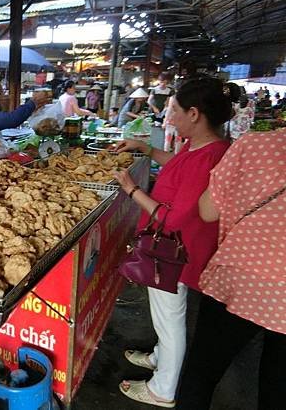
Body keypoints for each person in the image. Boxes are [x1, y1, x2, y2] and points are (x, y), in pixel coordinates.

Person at [112, 77, 234, 408]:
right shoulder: (202, 147)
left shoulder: (209, 156)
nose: (172, 117)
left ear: (194, 113)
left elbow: (172, 218)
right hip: (175, 246)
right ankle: (159, 359)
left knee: (170, 320)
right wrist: (146, 149)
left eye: (175, 111)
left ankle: (162, 389)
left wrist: (132, 190)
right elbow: (177, 167)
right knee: (165, 314)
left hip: (175, 251)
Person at [175, 129, 286, 410]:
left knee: (201, 375)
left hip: (246, 274)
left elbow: (208, 211)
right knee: (278, 389)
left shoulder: (256, 145)